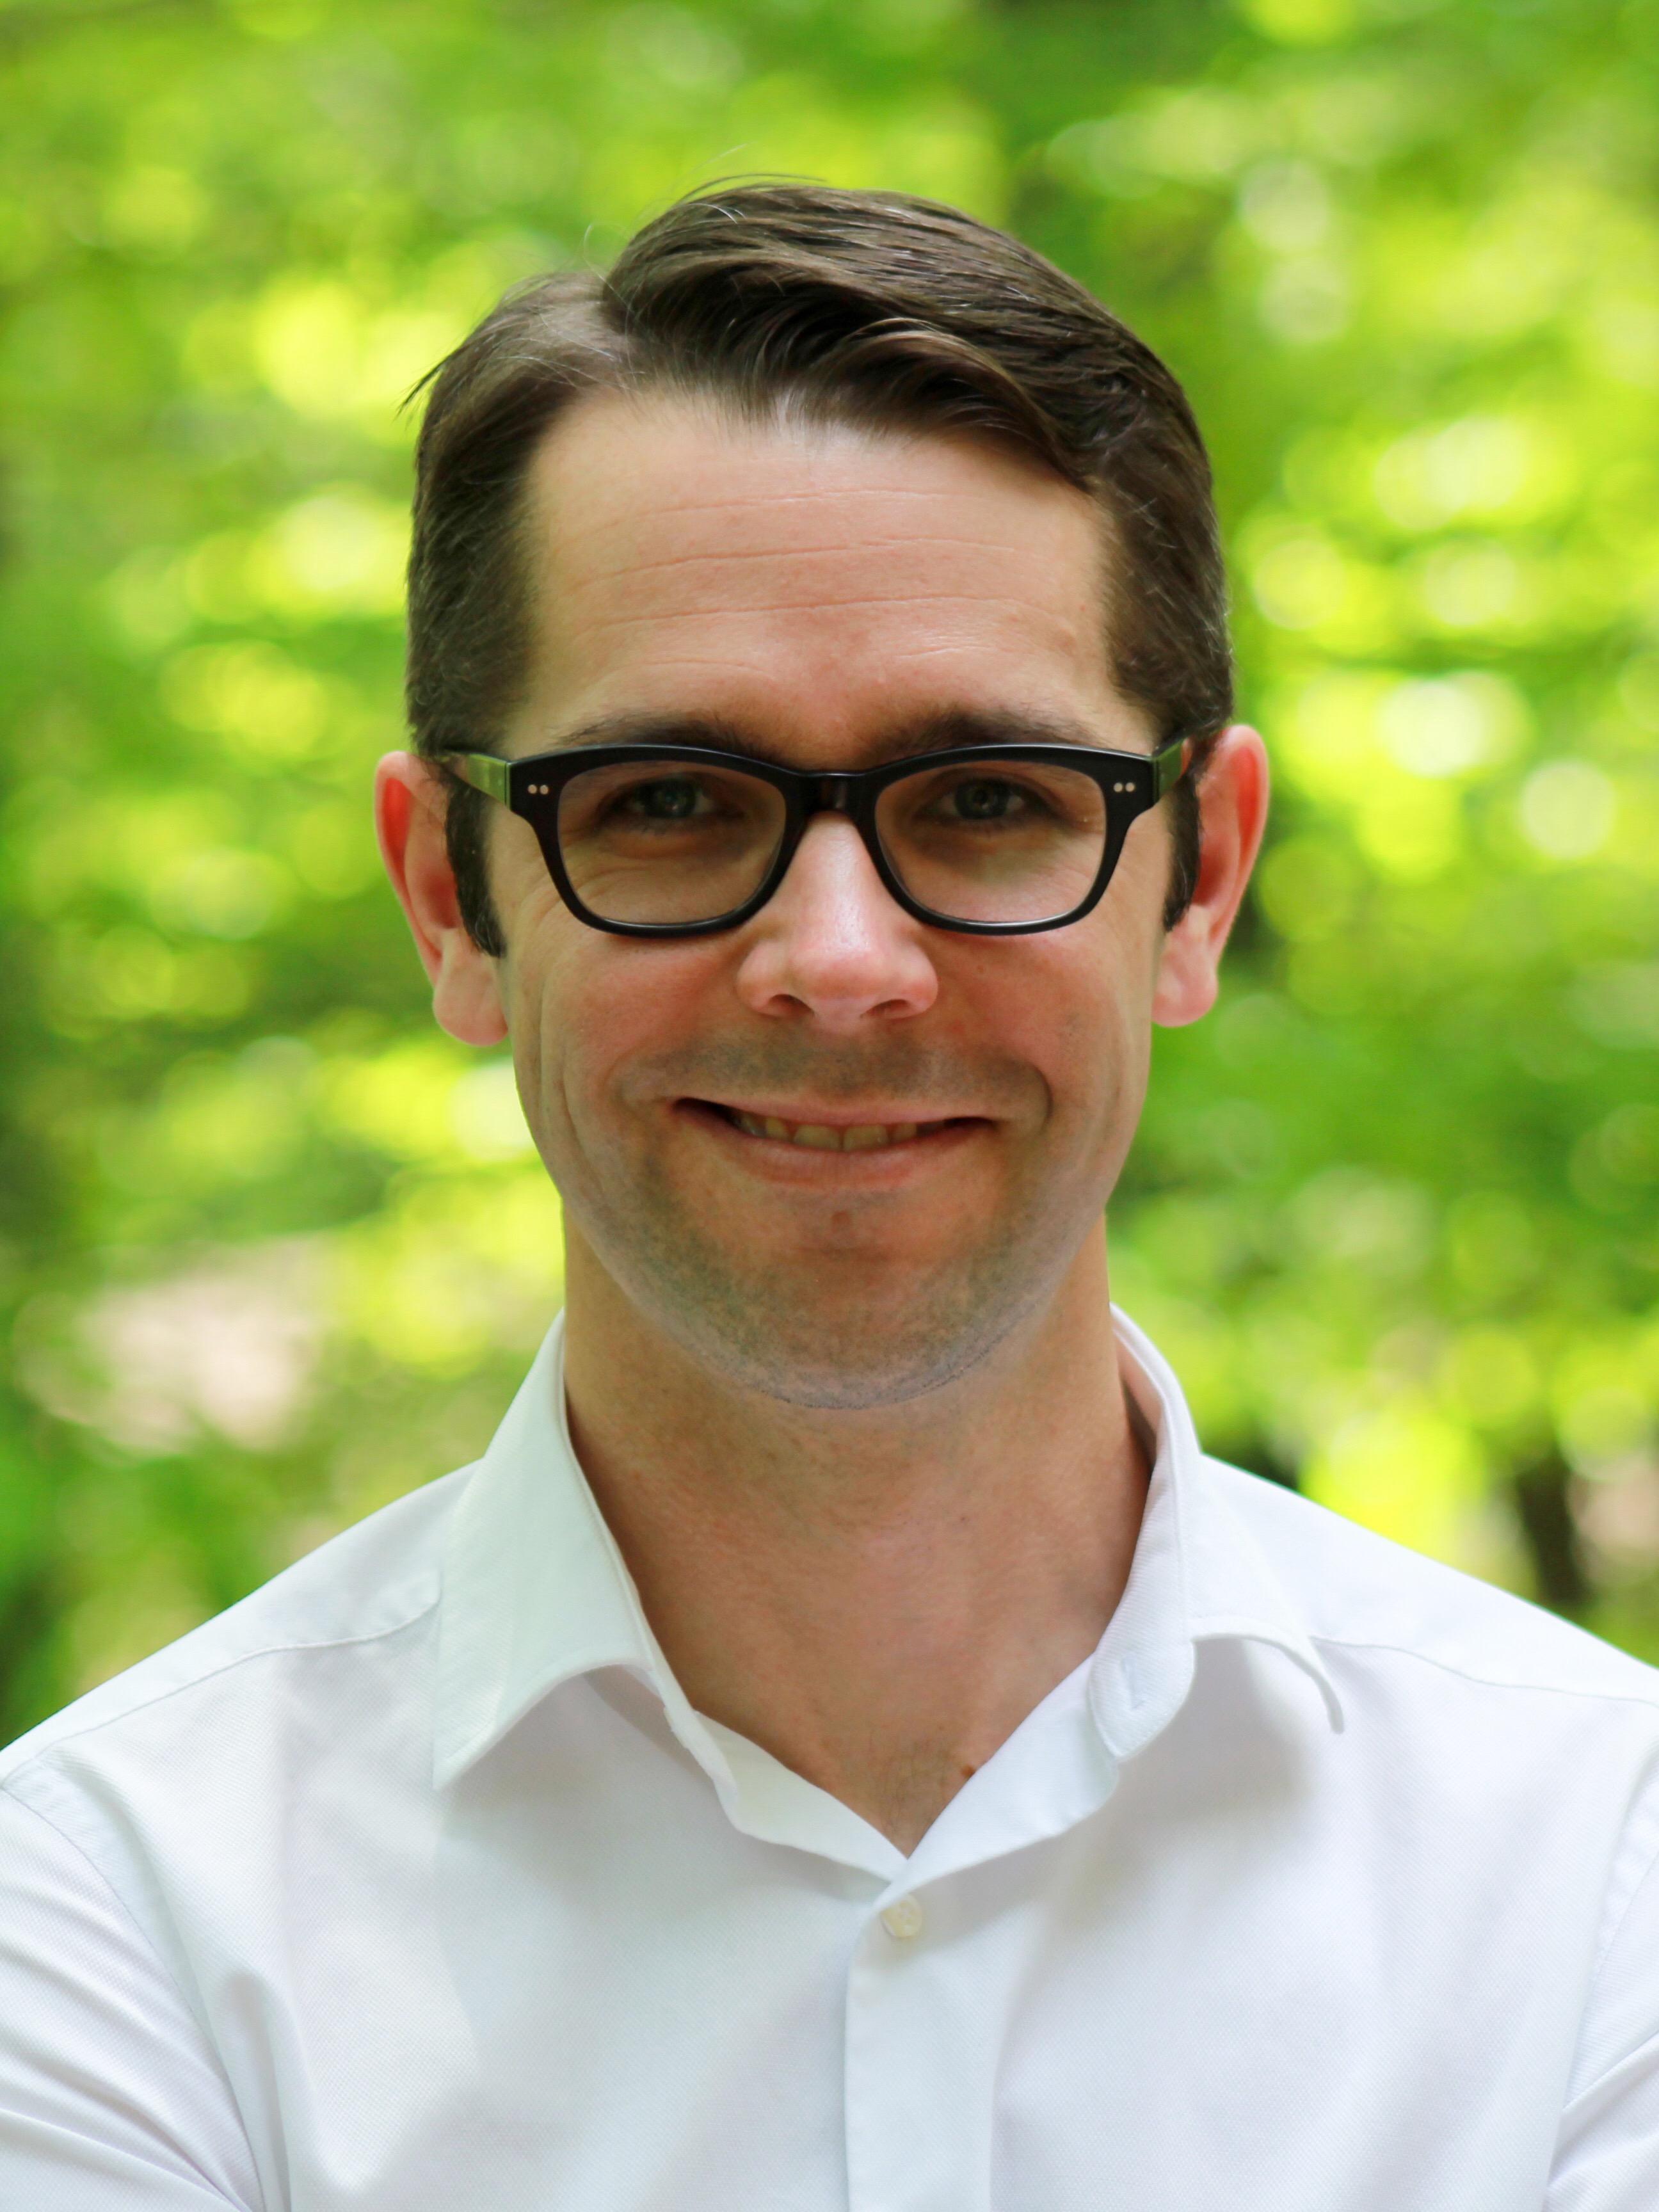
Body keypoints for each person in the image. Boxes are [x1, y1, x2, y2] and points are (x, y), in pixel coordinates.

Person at [1, 183, 1656, 2212]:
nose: (842, 958)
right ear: (451, 896)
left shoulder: (1601, 1870)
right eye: (672, 803)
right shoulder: (110, 1919)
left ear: (1201, 880)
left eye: (989, 800)